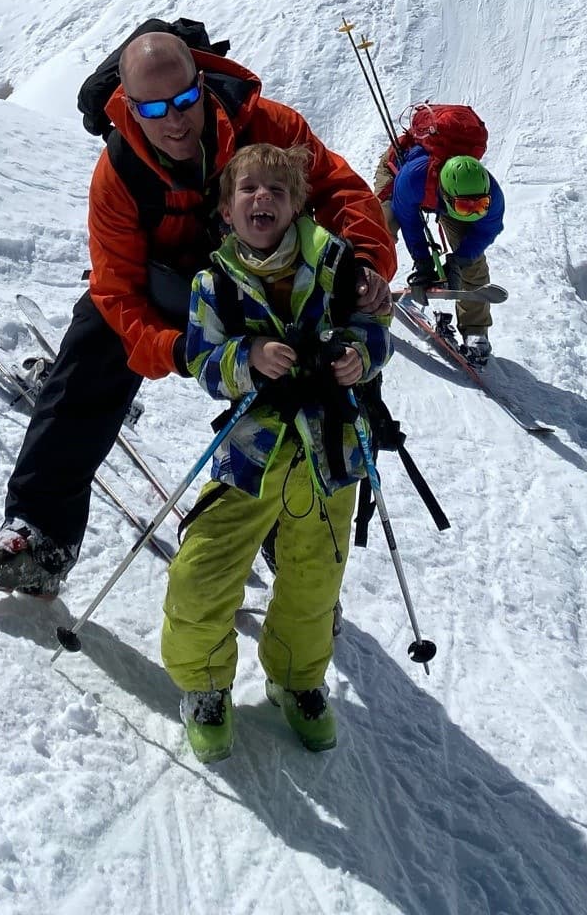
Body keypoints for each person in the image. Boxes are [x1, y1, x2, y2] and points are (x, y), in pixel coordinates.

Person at [0, 31, 396, 595]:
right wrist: (178, 348)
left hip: (268, 279)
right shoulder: (118, 174)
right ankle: (40, 529)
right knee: (96, 339)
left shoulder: (266, 126)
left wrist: (364, 263)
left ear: (201, 85)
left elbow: (338, 189)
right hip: (175, 288)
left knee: (316, 378)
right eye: (153, 109)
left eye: (184, 100)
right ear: (129, 107)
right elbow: (117, 288)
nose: (174, 121)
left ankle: (293, 543)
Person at [161, 144, 391, 762]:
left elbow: (374, 332)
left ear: (297, 206)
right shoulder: (213, 284)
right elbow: (206, 362)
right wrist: (248, 359)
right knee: (205, 567)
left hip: (330, 450)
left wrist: (358, 356)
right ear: (227, 209)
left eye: (278, 192)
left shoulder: (337, 265)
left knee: (315, 578)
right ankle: (205, 684)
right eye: (249, 190)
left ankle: (297, 677)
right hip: (251, 452)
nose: (262, 199)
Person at [392, 150, 505, 366]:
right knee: (382, 225)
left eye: (480, 206)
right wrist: (423, 262)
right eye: (466, 206)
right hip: (400, 180)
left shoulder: (493, 196)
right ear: (445, 193)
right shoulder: (411, 180)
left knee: (474, 265)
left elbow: (485, 231)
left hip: (448, 203)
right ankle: (368, 281)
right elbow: (409, 222)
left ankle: (475, 331)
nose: (472, 211)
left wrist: (461, 259)